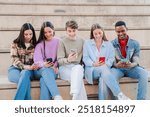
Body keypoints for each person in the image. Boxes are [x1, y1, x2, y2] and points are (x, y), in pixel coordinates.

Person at [83, 23, 130, 100]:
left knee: (103, 79)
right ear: (92, 34)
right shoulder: (87, 43)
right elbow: (85, 58)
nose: (98, 35)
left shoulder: (109, 44)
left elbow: (111, 59)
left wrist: (106, 64)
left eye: (99, 33)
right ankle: (119, 94)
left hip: (105, 70)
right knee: (103, 69)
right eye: (95, 34)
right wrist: (93, 64)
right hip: (92, 70)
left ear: (103, 32)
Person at [111, 21, 148, 100]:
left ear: (127, 29)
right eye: (118, 31)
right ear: (115, 31)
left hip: (131, 68)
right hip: (118, 69)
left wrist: (132, 64)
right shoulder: (111, 44)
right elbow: (111, 60)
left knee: (144, 73)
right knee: (112, 76)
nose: (120, 33)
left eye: (123, 31)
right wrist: (116, 65)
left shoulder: (135, 43)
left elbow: (136, 57)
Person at [8, 23, 39, 100]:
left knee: (24, 75)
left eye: (30, 34)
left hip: (29, 71)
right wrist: (26, 67)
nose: (28, 36)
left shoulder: (36, 45)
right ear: (22, 33)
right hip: (15, 69)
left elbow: (38, 59)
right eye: (26, 34)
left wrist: (33, 66)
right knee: (24, 81)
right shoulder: (15, 43)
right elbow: (14, 59)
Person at [57, 20, 87, 100]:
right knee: (78, 79)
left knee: (78, 69)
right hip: (64, 68)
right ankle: (76, 96)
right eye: (69, 31)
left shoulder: (82, 41)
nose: (72, 33)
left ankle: (75, 95)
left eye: (74, 31)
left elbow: (85, 58)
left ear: (77, 30)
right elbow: (59, 60)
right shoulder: (62, 41)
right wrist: (68, 59)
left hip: (77, 67)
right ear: (66, 31)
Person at [34, 21, 62, 100]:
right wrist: (44, 64)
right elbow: (37, 60)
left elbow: (60, 57)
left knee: (44, 80)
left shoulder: (59, 41)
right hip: (40, 70)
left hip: (53, 70)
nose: (48, 34)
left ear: (53, 30)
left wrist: (55, 65)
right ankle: (56, 96)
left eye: (49, 31)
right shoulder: (40, 44)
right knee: (46, 71)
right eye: (45, 32)